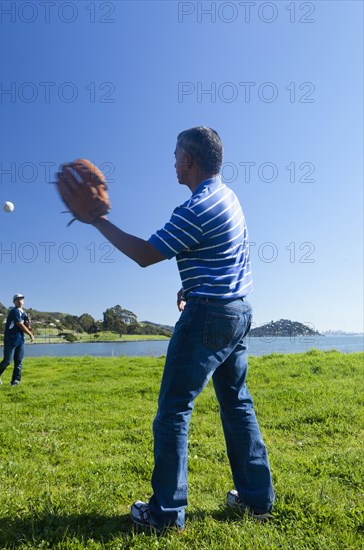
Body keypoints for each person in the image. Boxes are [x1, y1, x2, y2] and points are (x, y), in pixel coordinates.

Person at [78, 127, 275, 531]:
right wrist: (192, 283)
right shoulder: (228, 196)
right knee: (237, 405)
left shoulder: (196, 207)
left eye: (175, 156)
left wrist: (98, 219)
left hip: (207, 316)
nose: (172, 162)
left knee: (173, 411)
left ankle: (166, 514)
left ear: (189, 160)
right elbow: (223, 255)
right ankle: (257, 500)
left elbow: (145, 254)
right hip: (238, 311)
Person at [0, 293, 34, 386]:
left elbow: (27, 326)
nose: (20, 301)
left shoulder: (24, 313)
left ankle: (15, 381)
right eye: (17, 299)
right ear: (14, 302)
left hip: (20, 340)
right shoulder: (14, 311)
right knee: (8, 361)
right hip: (10, 339)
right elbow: (19, 324)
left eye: (21, 299)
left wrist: (29, 323)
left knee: (19, 361)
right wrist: (30, 334)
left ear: (23, 301)